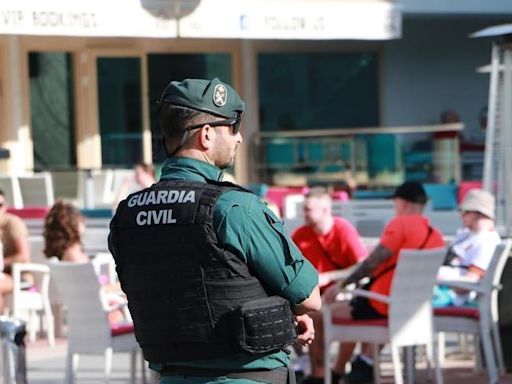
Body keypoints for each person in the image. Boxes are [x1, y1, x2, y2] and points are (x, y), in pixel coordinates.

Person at [109, 77, 321, 384]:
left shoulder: (128, 214)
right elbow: (310, 297)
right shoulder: (234, 208)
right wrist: (290, 307)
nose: (239, 138)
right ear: (206, 135)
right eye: (233, 127)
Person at [321, 181, 445, 384]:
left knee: (323, 313)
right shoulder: (436, 235)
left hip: (382, 305)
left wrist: (340, 285)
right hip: (412, 310)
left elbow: (372, 262)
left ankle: (326, 373)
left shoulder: (400, 224)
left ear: (403, 203)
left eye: (395, 203)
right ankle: (363, 364)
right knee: (355, 308)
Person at [291, 187, 368, 384]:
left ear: (325, 209)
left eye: (308, 209)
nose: (304, 214)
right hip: (312, 296)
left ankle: (333, 370)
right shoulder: (301, 234)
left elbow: (363, 266)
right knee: (304, 312)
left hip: (341, 292)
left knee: (321, 313)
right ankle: (318, 371)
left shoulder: (343, 229)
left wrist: (330, 277)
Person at [434, 188, 500, 308]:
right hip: (441, 290)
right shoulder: (466, 235)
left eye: (466, 211)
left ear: (480, 212)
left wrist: (435, 280)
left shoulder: (487, 241)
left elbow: (469, 283)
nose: (461, 215)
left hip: (453, 298)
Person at [0, 189, 30, 312]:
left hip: (19, 276)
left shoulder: (13, 223)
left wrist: (2, 263)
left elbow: (23, 257)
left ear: (5, 207)